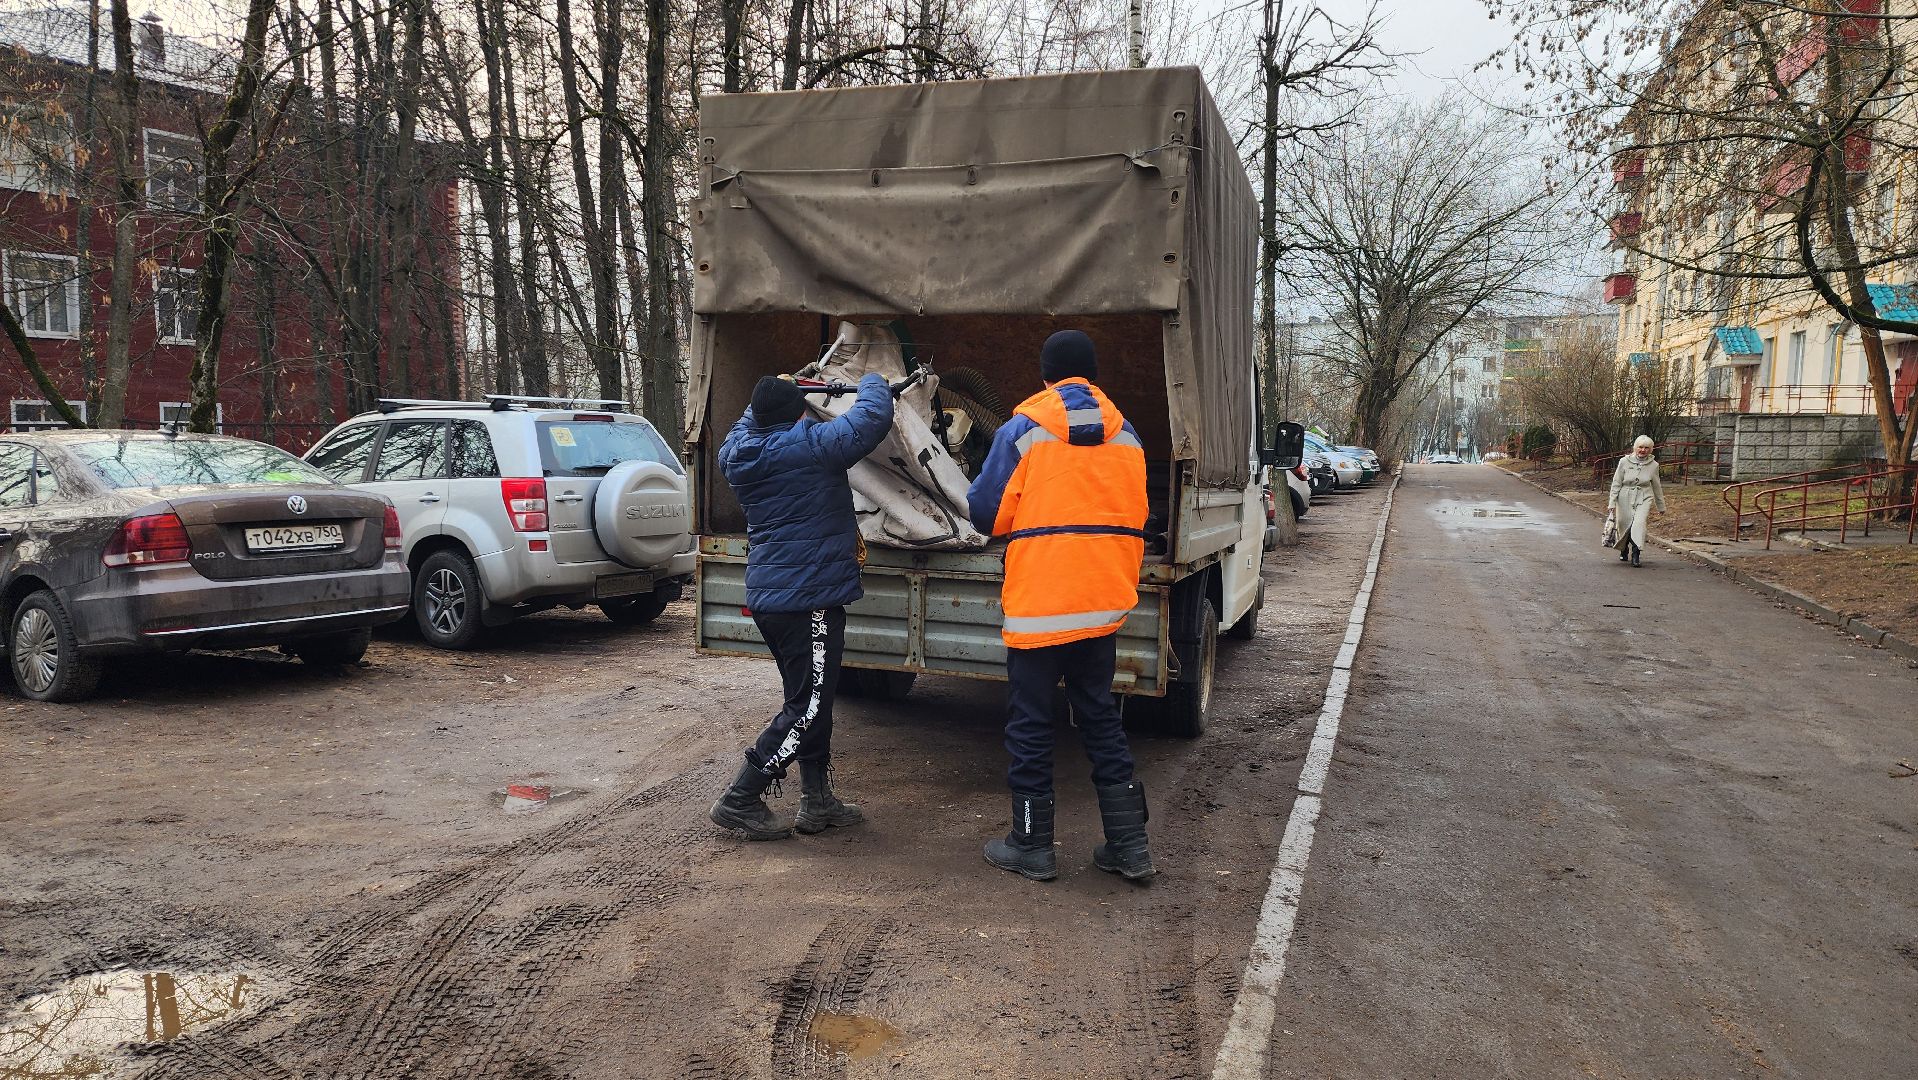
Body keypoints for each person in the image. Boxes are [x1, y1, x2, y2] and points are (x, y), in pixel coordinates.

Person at [965, 329, 1155, 882]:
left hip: (1041, 605)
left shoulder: (1023, 431)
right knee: (1099, 718)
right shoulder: (1130, 437)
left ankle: (1032, 846)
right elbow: (1139, 513)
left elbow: (985, 514)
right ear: (1092, 375)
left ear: (1045, 375)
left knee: (1031, 723)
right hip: (1101, 604)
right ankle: (1129, 846)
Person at [710, 371, 894, 840]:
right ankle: (742, 796)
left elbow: (748, 420)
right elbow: (870, 419)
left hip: (775, 598)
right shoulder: (811, 444)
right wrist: (873, 380)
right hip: (808, 598)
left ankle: (816, 800)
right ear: (798, 411)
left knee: (809, 699)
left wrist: (777, 389)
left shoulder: (736, 453)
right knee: (810, 705)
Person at [1609, 434, 1666, 568]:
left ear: (1651, 449)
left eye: (1647, 448)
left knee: (1639, 524)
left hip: (1644, 495)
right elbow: (1616, 482)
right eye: (1640, 447)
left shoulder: (1654, 465)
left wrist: (1661, 506)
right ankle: (1624, 549)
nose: (1643, 450)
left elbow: (1657, 486)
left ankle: (1636, 554)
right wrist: (1611, 502)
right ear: (1635, 448)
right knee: (1624, 523)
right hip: (1625, 495)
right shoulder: (1624, 461)